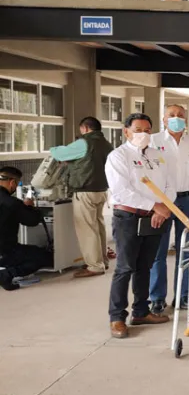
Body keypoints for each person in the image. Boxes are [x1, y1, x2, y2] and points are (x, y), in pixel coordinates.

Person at [106, 113, 173, 339]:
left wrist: (162, 208)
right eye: (137, 129)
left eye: (146, 130)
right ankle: (117, 318)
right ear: (126, 131)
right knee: (125, 267)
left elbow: (169, 185)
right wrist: (155, 206)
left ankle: (141, 312)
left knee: (145, 266)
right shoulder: (118, 156)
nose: (142, 134)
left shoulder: (157, 156)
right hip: (128, 218)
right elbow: (121, 192)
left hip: (154, 218)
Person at [148, 105, 189, 314]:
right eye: (171, 116)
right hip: (162, 202)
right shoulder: (153, 141)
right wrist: (154, 205)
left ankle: (182, 297)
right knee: (158, 252)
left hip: (188, 200)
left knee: (186, 251)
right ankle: (156, 298)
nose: (176, 119)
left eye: (180, 116)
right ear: (163, 120)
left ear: (186, 120)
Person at [50, 116, 113, 278]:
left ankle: (94, 266)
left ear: (85, 128)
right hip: (101, 190)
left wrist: (55, 149)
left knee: (87, 229)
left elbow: (59, 154)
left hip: (85, 191)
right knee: (99, 227)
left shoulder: (84, 142)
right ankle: (102, 260)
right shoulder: (107, 144)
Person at [0, 167, 53, 291]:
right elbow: (32, 221)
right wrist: (29, 207)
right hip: (6, 251)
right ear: (12, 182)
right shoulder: (11, 203)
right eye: (18, 183)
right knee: (44, 257)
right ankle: (7, 274)